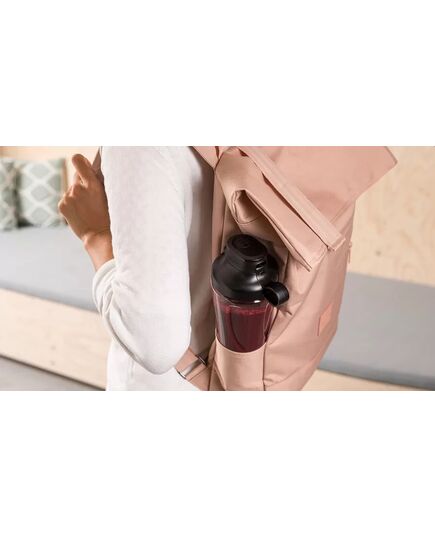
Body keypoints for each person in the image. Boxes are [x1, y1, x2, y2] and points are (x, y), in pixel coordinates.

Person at [59, 147, 215, 390]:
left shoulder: (135, 148)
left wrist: (95, 236)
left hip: (167, 385)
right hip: (245, 368)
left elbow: (155, 343)